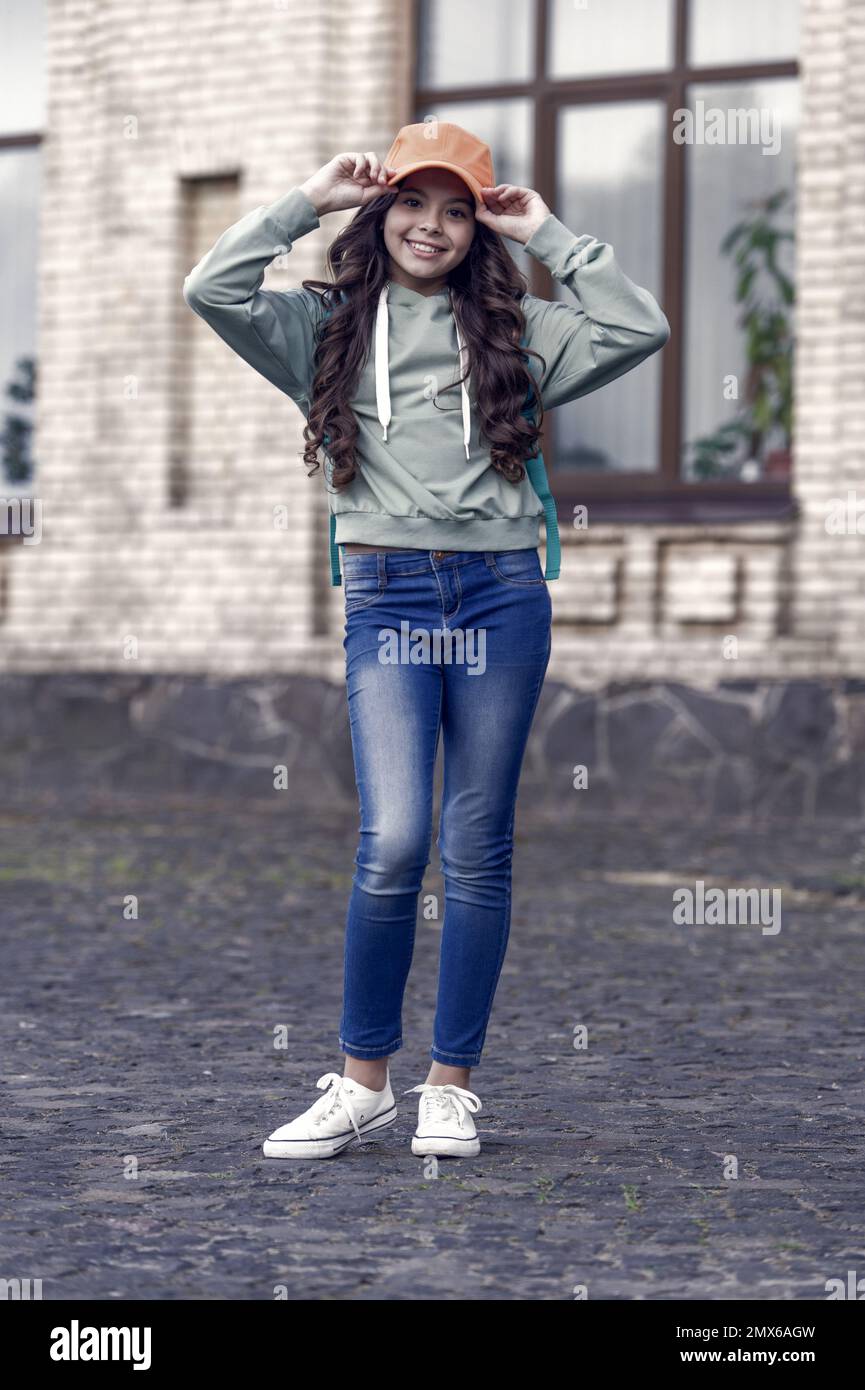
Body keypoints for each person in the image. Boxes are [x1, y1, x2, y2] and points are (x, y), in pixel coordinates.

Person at [182, 122, 670, 1161]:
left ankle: (450, 1085)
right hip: (388, 597)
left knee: (477, 843)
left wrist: (551, 234)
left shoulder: (515, 327)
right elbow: (211, 291)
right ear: (380, 213)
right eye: (412, 203)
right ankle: (363, 1083)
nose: (432, 226)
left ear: (478, 228)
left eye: (457, 209)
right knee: (395, 839)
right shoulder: (321, 327)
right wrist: (302, 200)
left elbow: (641, 330)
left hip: (499, 595)